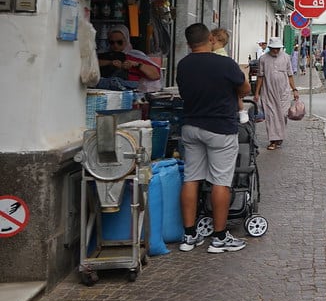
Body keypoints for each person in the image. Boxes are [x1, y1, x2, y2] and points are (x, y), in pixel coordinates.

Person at [176, 23, 249, 253]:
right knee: (221, 182)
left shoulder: (183, 64)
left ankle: (189, 236)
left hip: (191, 126)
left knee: (191, 179)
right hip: (220, 128)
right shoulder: (224, 63)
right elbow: (245, 88)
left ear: (189, 44)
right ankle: (219, 237)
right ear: (210, 39)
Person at [253, 36, 299, 150]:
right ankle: (273, 140)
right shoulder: (263, 59)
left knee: (283, 115)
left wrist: (295, 90)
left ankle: (280, 137)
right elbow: (260, 77)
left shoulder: (286, 58)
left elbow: (290, 75)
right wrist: (257, 93)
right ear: (269, 47)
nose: (276, 51)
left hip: (283, 92)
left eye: (278, 48)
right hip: (268, 92)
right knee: (271, 116)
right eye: (273, 48)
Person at [97, 24, 163, 93]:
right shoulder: (105, 55)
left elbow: (156, 74)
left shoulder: (135, 55)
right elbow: (91, 65)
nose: (115, 45)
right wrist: (110, 63)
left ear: (126, 40)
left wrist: (136, 65)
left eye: (119, 42)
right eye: (112, 42)